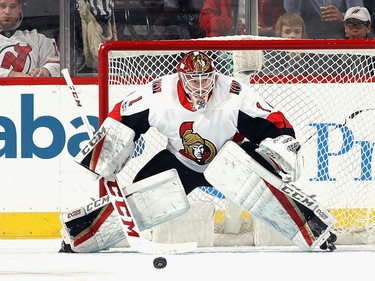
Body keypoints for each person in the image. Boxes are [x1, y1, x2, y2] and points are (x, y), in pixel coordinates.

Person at [59, 51, 337, 253]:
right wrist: (107, 148)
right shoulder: (159, 95)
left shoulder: (234, 94)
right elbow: (122, 116)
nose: (201, 86)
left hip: (232, 160)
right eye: (194, 80)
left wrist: (282, 143)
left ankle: (315, 230)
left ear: (214, 76)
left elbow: (272, 121)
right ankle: (82, 234)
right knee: (139, 200)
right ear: (181, 78)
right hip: (180, 162)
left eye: (206, 79)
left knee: (266, 192)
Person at [0, 0, 60, 77]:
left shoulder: (39, 40)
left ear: (20, 8)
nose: (7, 11)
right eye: (2, 6)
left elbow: (60, 66)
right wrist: (12, 75)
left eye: (13, 6)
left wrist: (46, 71)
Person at [283, 0, 364, 39]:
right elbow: (291, 12)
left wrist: (343, 16)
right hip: (307, 36)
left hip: (339, 35)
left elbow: (359, 14)